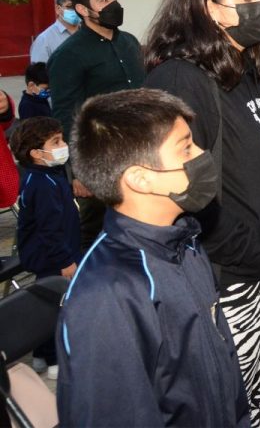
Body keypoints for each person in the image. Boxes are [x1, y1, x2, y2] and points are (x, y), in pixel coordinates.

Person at [144, 0, 260, 427]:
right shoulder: (181, 78)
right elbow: (173, 186)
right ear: (207, 5)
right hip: (227, 281)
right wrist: (241, 247)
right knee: (219, 407)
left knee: (249, 404)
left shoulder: (241, 70)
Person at [57, 89, 249, 427]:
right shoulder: (107, 294)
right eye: (186, 147)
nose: (203, 155)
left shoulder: (184, 243)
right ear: (140, 179)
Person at [48, 0, 145, 250]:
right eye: (104, 0)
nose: (113, 4)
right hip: (99, 158)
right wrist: (77, 170)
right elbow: (65, 113)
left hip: (140, 152)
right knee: (95, 230)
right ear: (82, 9)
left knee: (139, 224)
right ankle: (87, 287)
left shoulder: (129, 42)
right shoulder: (68, 55)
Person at [9, 116, 80, 381]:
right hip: (52, 256)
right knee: (56, 305)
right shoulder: (44, 185)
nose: (63, 145)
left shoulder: (45, 176)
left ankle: (40, 354)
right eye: (56, 142)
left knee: (47, 301)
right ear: (36, 154)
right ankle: (53, 359)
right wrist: (65, 260)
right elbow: (50, 230)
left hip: (50, 253)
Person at [30, 0, 80, 64]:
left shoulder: (90, 34)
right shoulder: (44, 40)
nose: (75, 11)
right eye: (70, 6)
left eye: (78, 7)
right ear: (58, 9)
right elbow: (38, 73)